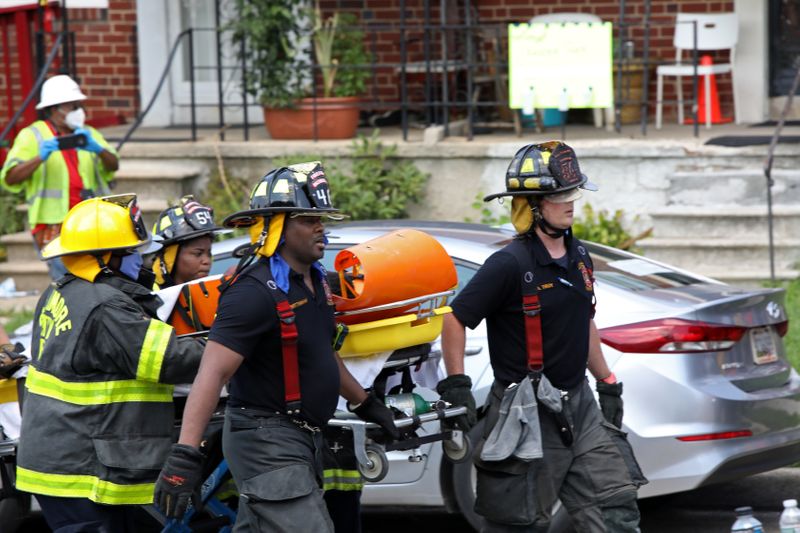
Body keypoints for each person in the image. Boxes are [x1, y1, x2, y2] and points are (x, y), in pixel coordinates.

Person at [154, 162, 399, 531]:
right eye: (307, 219)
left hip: (299, 439)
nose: (321, 227)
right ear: (277, 227)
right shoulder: (252, 292)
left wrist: (365, 403)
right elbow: (212, 372)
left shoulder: (312, 284)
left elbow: (321, 355)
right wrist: (185, 454)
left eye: (322, 219)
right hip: (267, 442)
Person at [438, 141, 646, 532]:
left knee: (615, 510)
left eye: (572, 192)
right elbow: (455, 319)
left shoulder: (578, 255)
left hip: (579, 405)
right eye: (558, 195)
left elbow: (584, 321)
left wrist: (607, 382)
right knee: (518, 522)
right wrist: (457, 383)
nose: (570, 202)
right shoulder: (509, 265)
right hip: (526, 410)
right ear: (531, 205)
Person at [15, 194, 205, 532]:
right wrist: (225, 343)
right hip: (82, 468)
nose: (138, 257)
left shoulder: (61, 290)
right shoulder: (106, 307)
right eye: (130, 251)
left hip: (60, 458)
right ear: (104, 258)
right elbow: (168, 360)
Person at [0, 74, 119, 281]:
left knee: (100, 277)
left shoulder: (87, 133)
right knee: (67, 281)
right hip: (53, 223)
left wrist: (98, 149)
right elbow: (10, 178)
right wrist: (40, 157)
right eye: (72, 106)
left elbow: (114, 164)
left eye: (79, 105)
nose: (78, 111)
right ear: (54, 109)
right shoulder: (32, 136)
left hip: (90, 220)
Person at [151, 195, 227, 289]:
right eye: (198, 253)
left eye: (209, 253)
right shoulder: (151, 299)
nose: (207, 261)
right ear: (169, 257)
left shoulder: (212, 294)